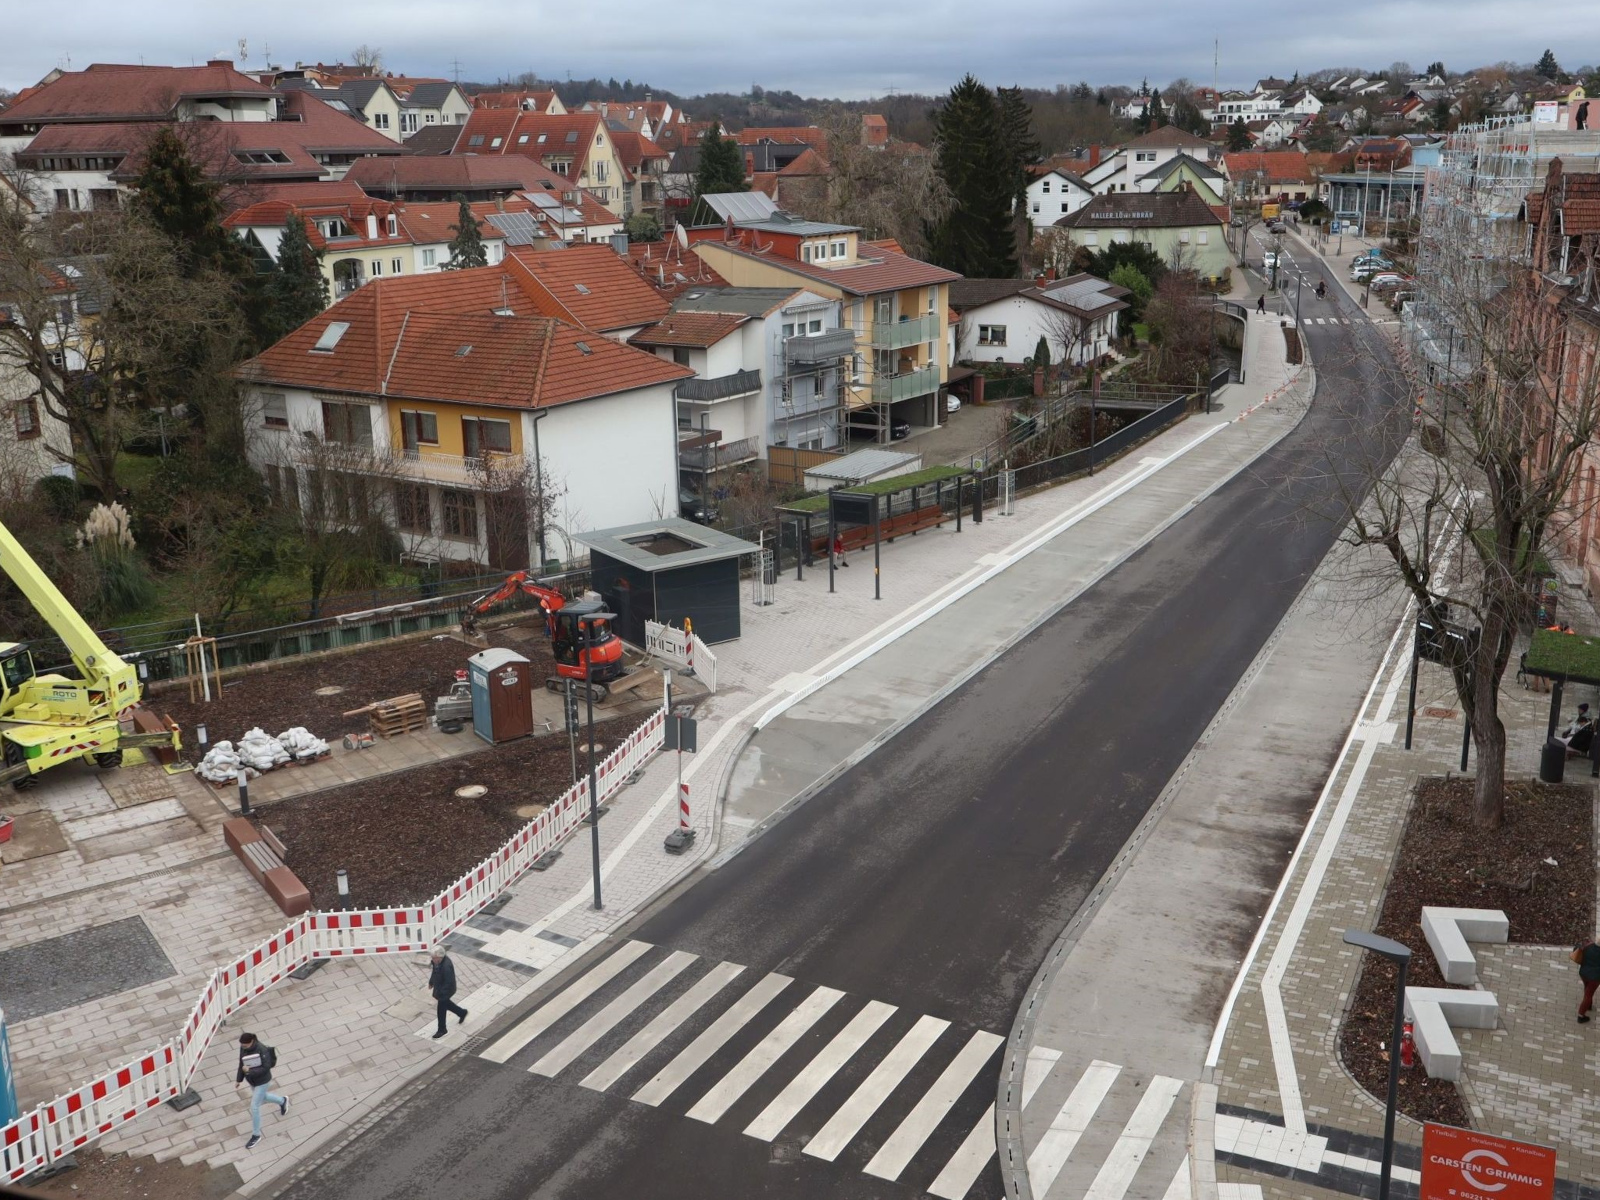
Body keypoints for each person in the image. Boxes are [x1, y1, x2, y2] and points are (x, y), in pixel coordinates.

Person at [235, 1032, 287, 1149]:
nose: (243, 1047)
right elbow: (241, 1063)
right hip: (252, 1080)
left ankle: (256, 1135)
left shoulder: (262, 1050)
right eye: (242, 1045)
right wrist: (239, 1079)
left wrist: (249, 1071)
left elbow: (266, 1067)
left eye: (245, 1045)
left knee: (254, 1106)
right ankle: (283, 1101)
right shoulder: (243, 1048)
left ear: (252, 1041)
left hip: (263, 1081)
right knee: (263, 1097)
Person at [428, 949, 468, 1039]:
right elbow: (434, 971)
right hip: (440, 988)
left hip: (446, 990)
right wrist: (431, 981)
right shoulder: (437, 962)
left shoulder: (446, 966)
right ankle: (462, 1012)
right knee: (447, 1005)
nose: (432, 959)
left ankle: (442, 1029)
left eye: (434, 958)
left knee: (441, 1010)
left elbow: (449, 982)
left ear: (439, 957)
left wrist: (441, 993)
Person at [1574, 940, 1600, 1022]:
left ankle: (1588, 1005)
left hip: (1583, 973)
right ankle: (1581, 1016)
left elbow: (1576, 948)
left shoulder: (1588, 946)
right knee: (1588, 995)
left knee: (1587, 989)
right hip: (1595, 977)